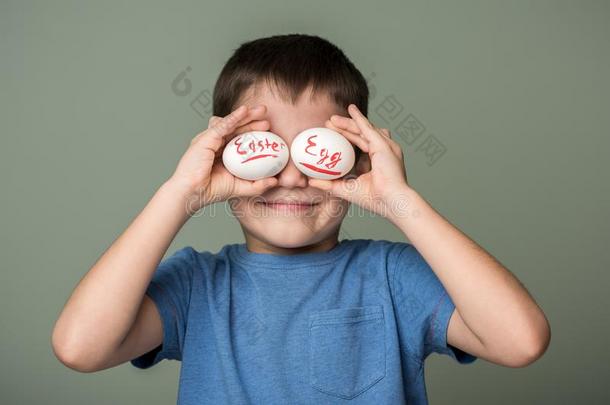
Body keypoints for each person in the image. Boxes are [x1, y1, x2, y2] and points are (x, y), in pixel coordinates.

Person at [51, 34, 551, 404]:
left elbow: (521, 341)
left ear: (360, 159)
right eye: (265, 151)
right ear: (223, 157)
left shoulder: (391, 278)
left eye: (316, 153)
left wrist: (400, 200)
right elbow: (80, 348)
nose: (290, 178)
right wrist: (180, 193)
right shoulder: (197, 285)